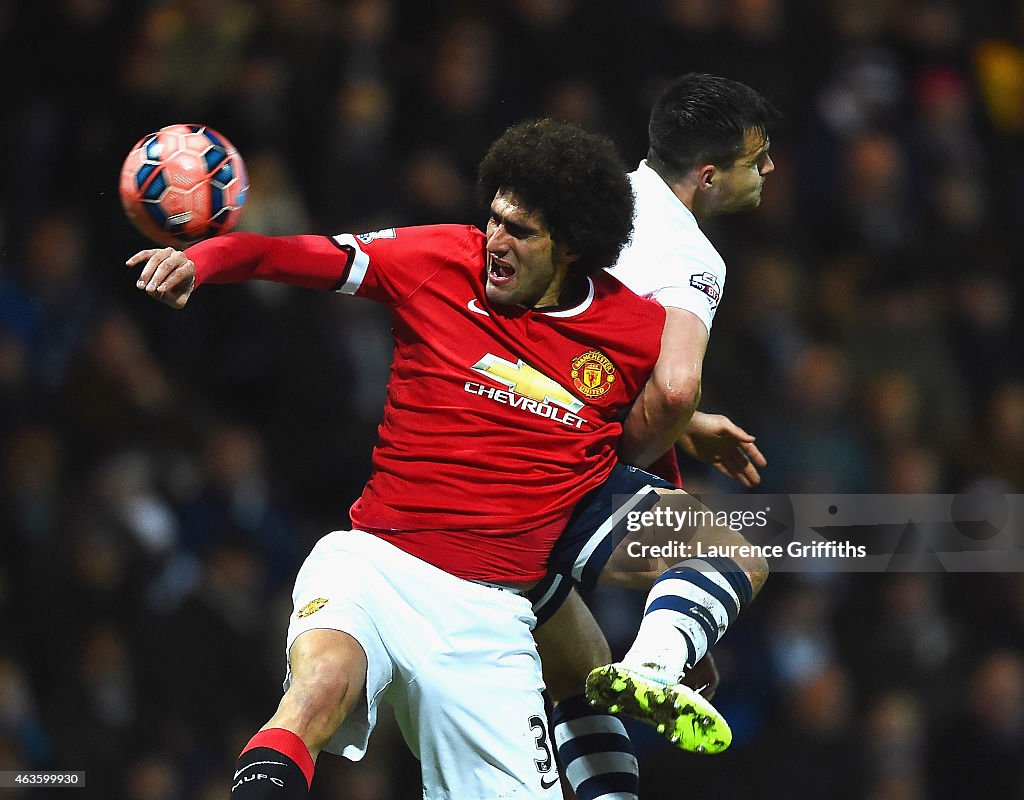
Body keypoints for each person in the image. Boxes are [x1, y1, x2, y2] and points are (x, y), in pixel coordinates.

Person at [127, 119, 669, 799]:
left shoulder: (633, 332)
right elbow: (285, 254)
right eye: (494, 218)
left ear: (572, 247)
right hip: (376, 563)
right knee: (315, 693)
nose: (495, 240)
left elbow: (642, 471)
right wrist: (201, 260)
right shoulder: (435, 259)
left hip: (488, 618)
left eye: (520, 231)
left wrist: (671, 612)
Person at [529, 73, 781, 800]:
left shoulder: (588, 199)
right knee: (733, 558)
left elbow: (581, 345)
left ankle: (653, 659)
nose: (769, 171)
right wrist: (620, 469)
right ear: (708, 176)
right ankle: (656, 666)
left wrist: (689, 430)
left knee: (576, 676)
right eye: (755, 158)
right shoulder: (695, 258)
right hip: (554, 472)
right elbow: (673, 386)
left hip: (477, 446)